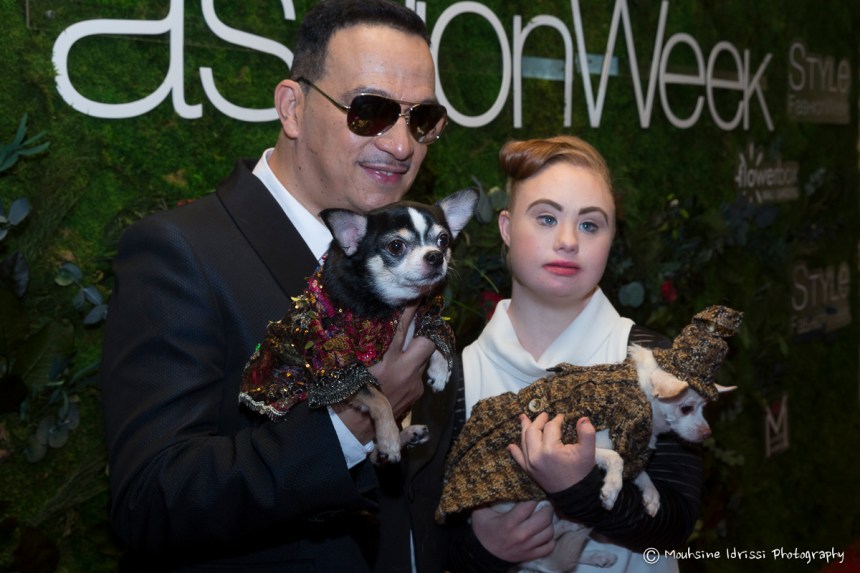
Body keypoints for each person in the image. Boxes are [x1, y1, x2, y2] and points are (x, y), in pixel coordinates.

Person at [100, 1, 454, 570]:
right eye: (369, 111)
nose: (400, 145)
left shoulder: (410, 256)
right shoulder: (180, 253)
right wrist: (350, 426)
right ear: (292, 107)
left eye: (421, 120)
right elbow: (152, 500)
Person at [427, 135, 702, 572]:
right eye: (546, 218)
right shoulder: (454, 377)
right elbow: (428, 541)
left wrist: (580, 489)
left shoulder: (652, 361)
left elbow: (674, 525)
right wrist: (484, 550)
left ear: (611, 239)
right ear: (505, 228)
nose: (569, 240)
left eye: (590, 224)